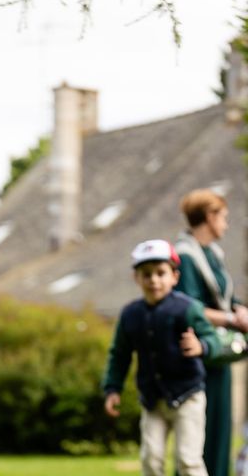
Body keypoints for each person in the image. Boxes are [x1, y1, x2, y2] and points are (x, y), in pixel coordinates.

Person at [102, 239, 221, 476]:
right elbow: (120, 354)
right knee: (151, 458)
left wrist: (202, 346)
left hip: (188, 396)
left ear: (174, 277)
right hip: (152, 400)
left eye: (160, 273)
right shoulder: (130, 315)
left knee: (188, 460)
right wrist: (112, 388)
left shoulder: (188, 308)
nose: (154, 280)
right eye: (147, 274)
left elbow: (213, 338)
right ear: (136, 278)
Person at [174, 189, 248, 476]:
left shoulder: (213, 254)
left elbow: (224, 297)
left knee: (220, 428)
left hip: (219, 355)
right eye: (224, 217)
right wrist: (232, 319)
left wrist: (240, 309)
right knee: (198, 433)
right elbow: (190, 307)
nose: (226, 224)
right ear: (209, 216)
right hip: (199, 355)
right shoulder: (185, 256)